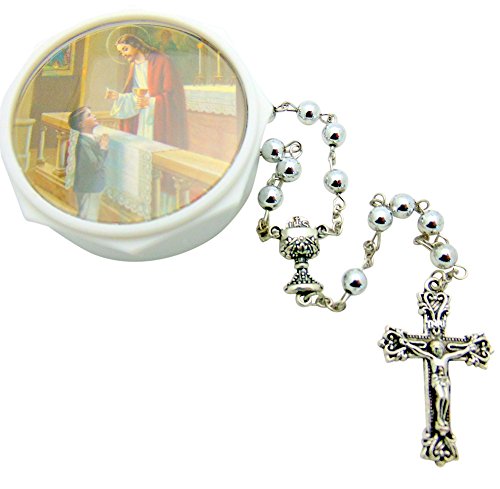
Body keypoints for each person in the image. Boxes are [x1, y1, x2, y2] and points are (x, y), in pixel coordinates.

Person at [106, 34, 187, 148]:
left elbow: (172, 94)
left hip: (156, 115)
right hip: (141, 116)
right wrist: (119, 97)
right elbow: (134, 94)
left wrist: (151, 102)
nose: (123, 54)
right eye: (121, 52)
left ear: (136, 46)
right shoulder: (134, 65)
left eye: (125, 49)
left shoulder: (161, 60)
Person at [67, 107, 109, 221]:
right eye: (89, 115)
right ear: (81, 124)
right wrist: (103, 148)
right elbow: (95, 165)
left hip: (92, 186)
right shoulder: (83, 143)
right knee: (88, 217)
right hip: (89, 187)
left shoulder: (90, 139)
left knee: (87, 215)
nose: (94, 116)